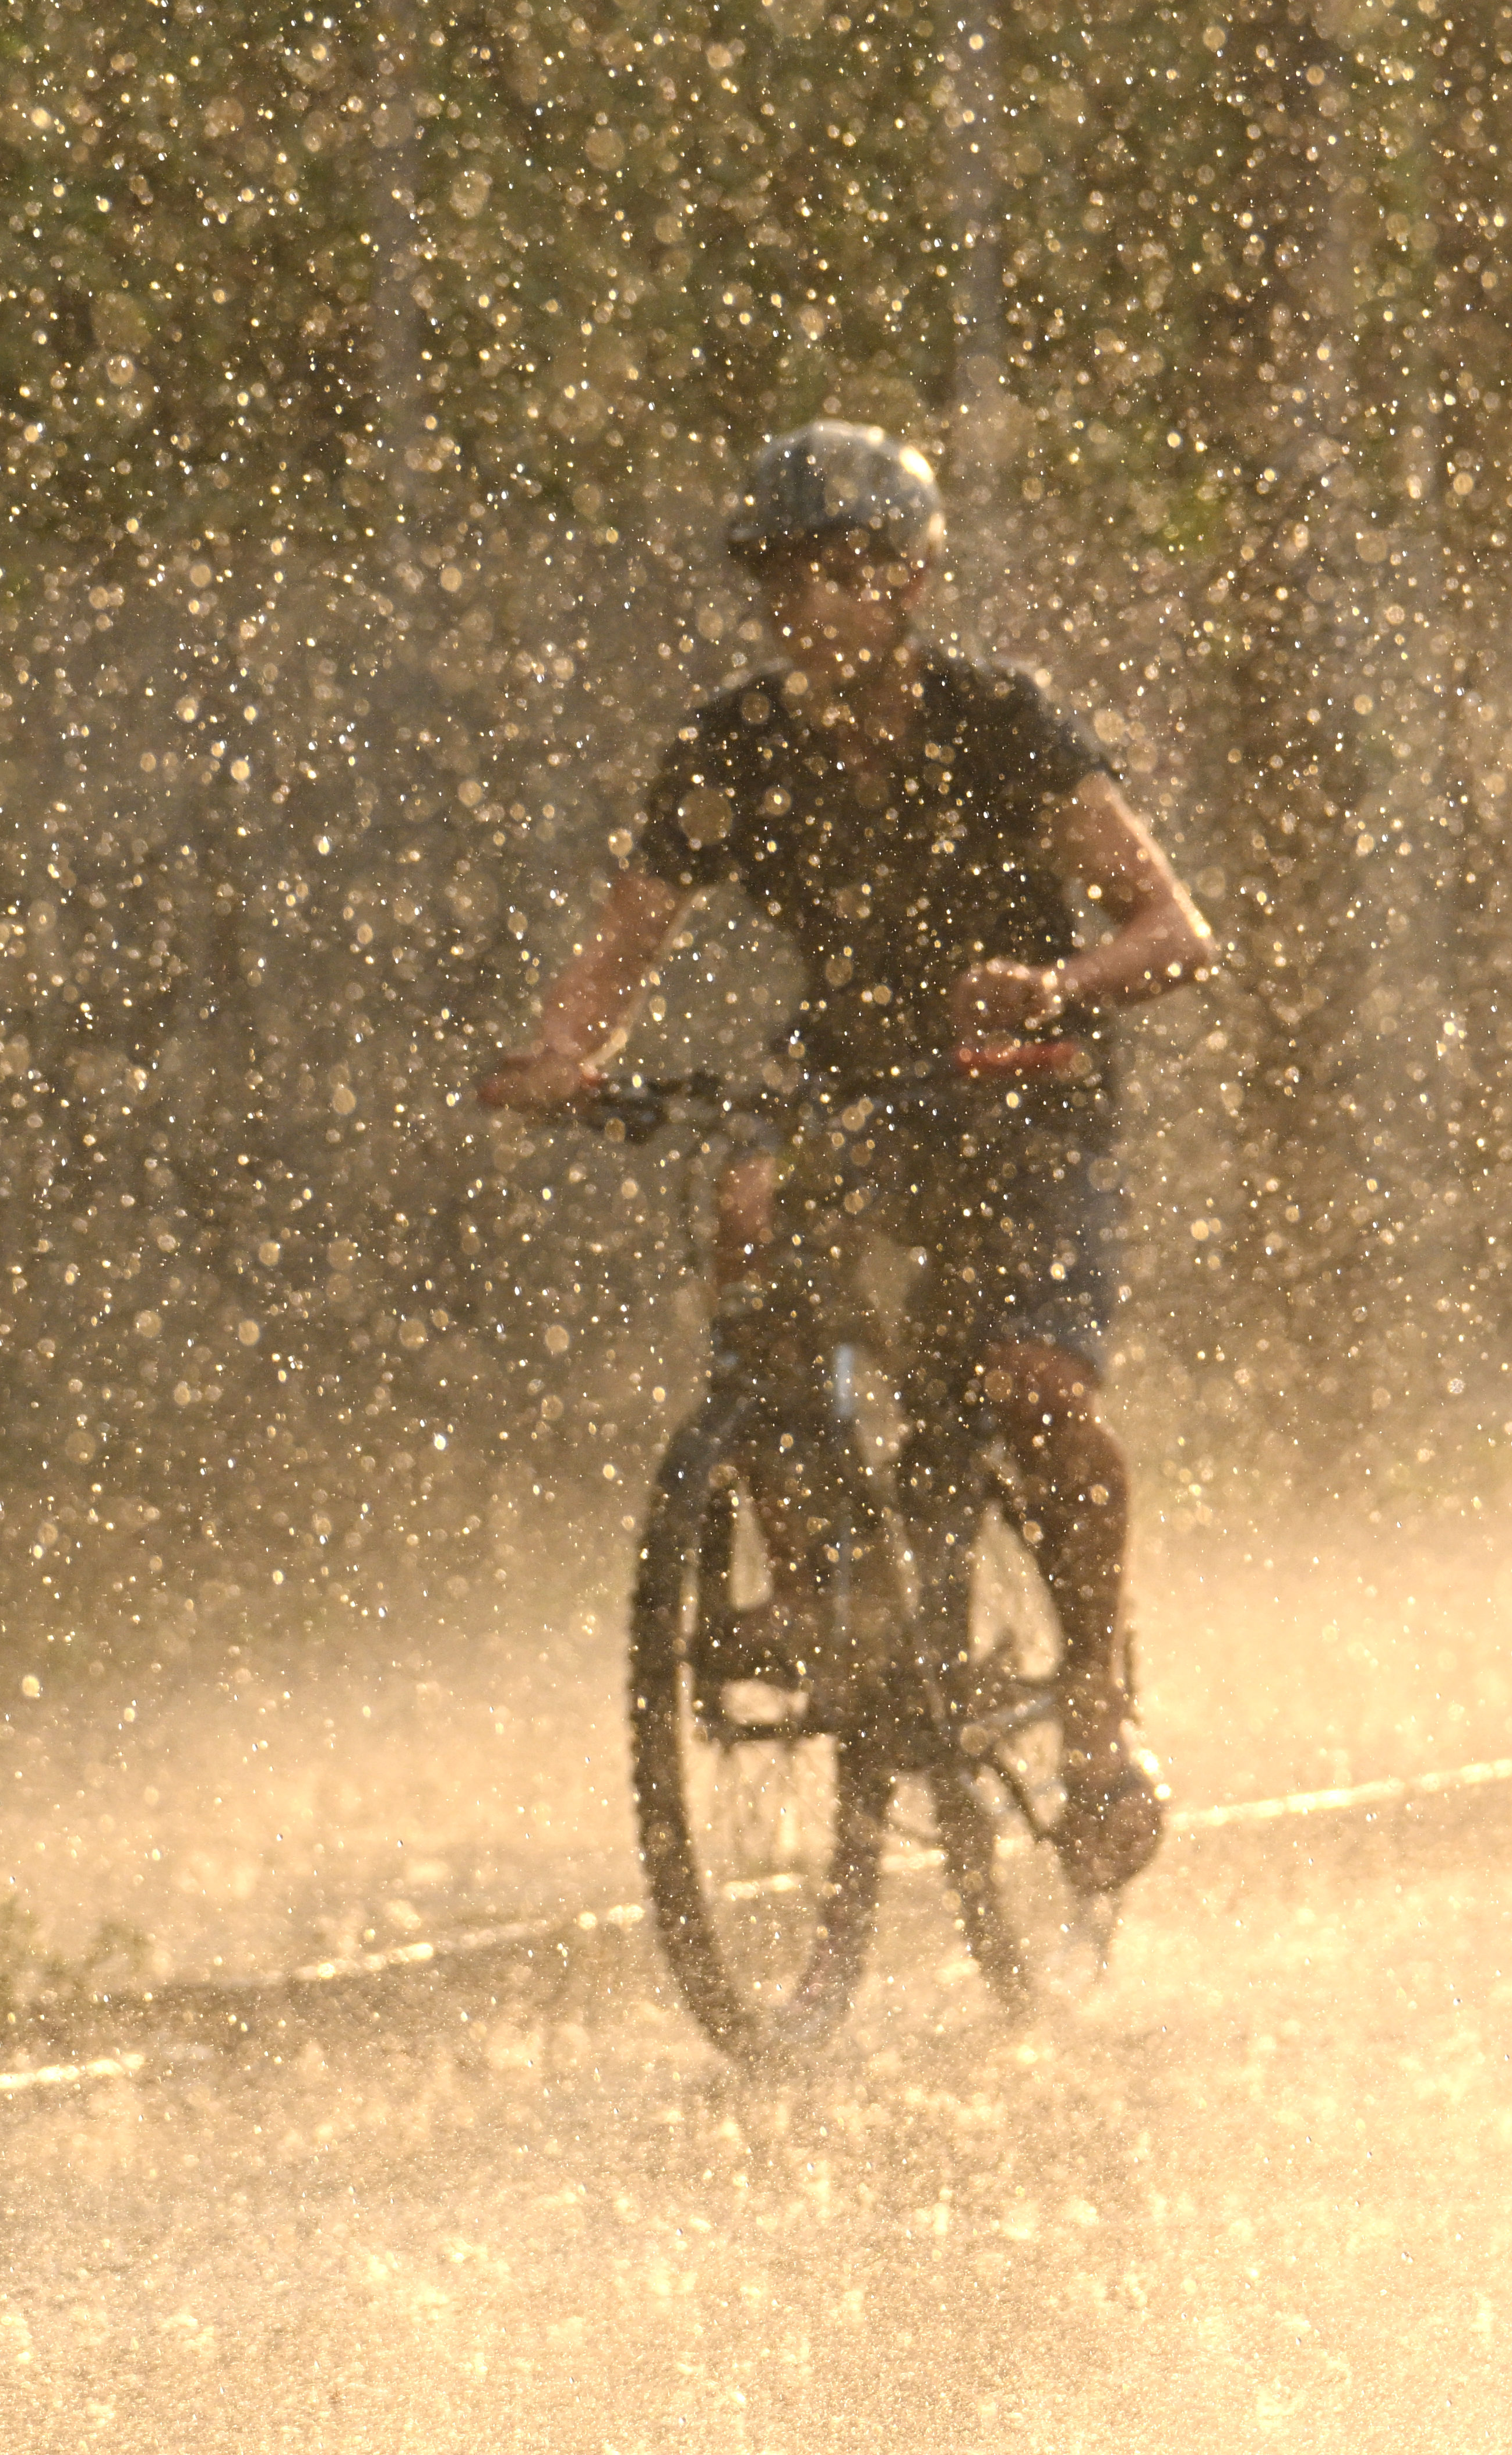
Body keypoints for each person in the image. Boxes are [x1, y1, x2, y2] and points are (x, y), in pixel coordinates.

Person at [477, 421, 1217, 1896]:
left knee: (1028, 1388)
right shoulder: (732, 748)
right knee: (747, 1205)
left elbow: (1171, 931)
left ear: (913, 582)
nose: (807, 605)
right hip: (857, 1081)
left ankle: (1094, 1709)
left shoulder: (1002, 726)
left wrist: (1055, 989)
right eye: (783, 577)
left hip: (1023, 1093)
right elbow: (628, 942)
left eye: (841, 572)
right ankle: (816, 1588)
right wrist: (566, 1055)